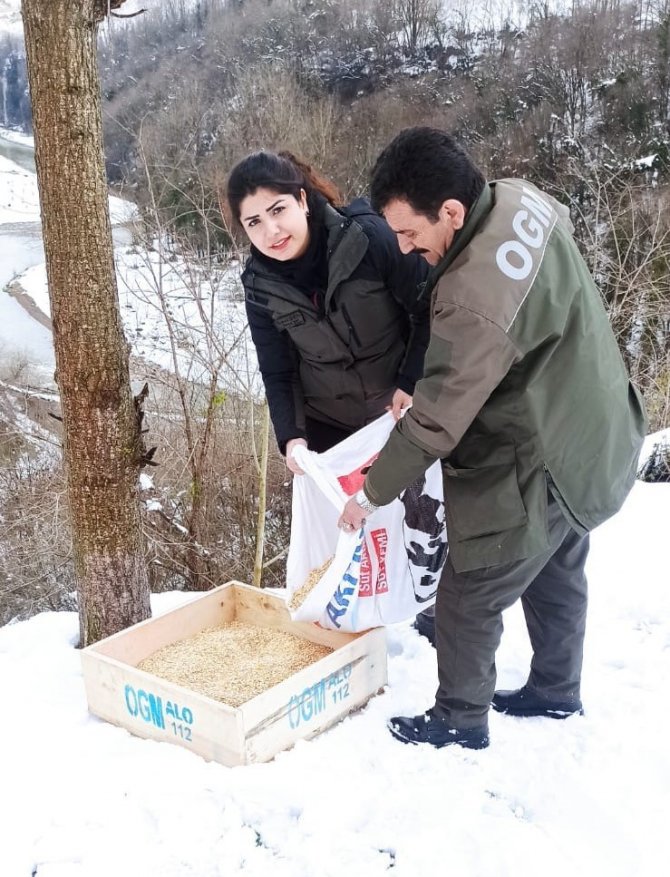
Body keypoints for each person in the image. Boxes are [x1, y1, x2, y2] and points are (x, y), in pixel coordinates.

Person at [339, 127, 648, 751]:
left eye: (410, 233)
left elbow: (434, 421)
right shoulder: (518, 199)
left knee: (466, 595)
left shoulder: (471, 295)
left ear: (451, 211)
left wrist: (370, 494)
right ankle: (557, 690)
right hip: (592, 429)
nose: (404, 247)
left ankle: (459, 718)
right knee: (557, 566)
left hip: (543, 458)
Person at [226, 150, 431, 467]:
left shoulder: (369, 239)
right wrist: (292, 437)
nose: (272, 231)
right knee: (351, 516)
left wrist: (413, 381)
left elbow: (429, 309)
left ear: (302, 200)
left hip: (400, 408)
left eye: (278, 210)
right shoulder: (259, 288)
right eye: (254, 222)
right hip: (330, 428)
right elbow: (279, 371)